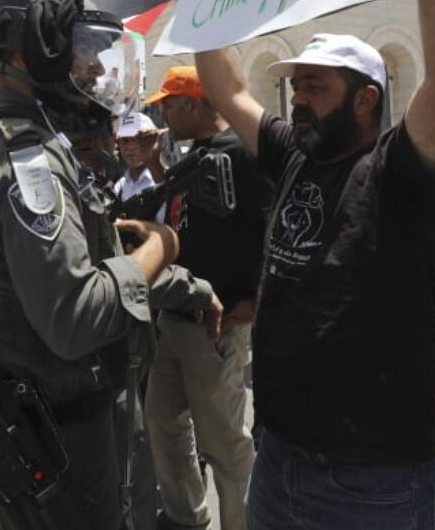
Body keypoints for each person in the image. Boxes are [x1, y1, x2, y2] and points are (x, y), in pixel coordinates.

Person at [178, 0, 435, 530]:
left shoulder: (401, 169)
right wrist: (199, 9)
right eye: (294, 85)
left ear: (366, 97)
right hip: (278, 457)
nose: (297, 98)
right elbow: (225, 89)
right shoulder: (292, 155)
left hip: (371, 479)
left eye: (314, 86)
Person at [0, 0, 182, 530]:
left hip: (35, 420)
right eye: (86, 49)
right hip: (60, 430)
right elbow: (74, 319)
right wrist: (160, 250)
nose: (97, 68)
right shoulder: (26, 158)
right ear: (36, 50)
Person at [141, 65, 270, 530]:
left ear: (193, 105)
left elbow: (273, 226)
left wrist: (258, 298)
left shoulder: (243, 151)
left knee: (223, 441)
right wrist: (158, 166)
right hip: (175, 314)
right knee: (162, 422)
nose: (162, 114)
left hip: (217, 322)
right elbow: (190, 216)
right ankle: (184, 519)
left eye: (168, 105)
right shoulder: (201, 154)